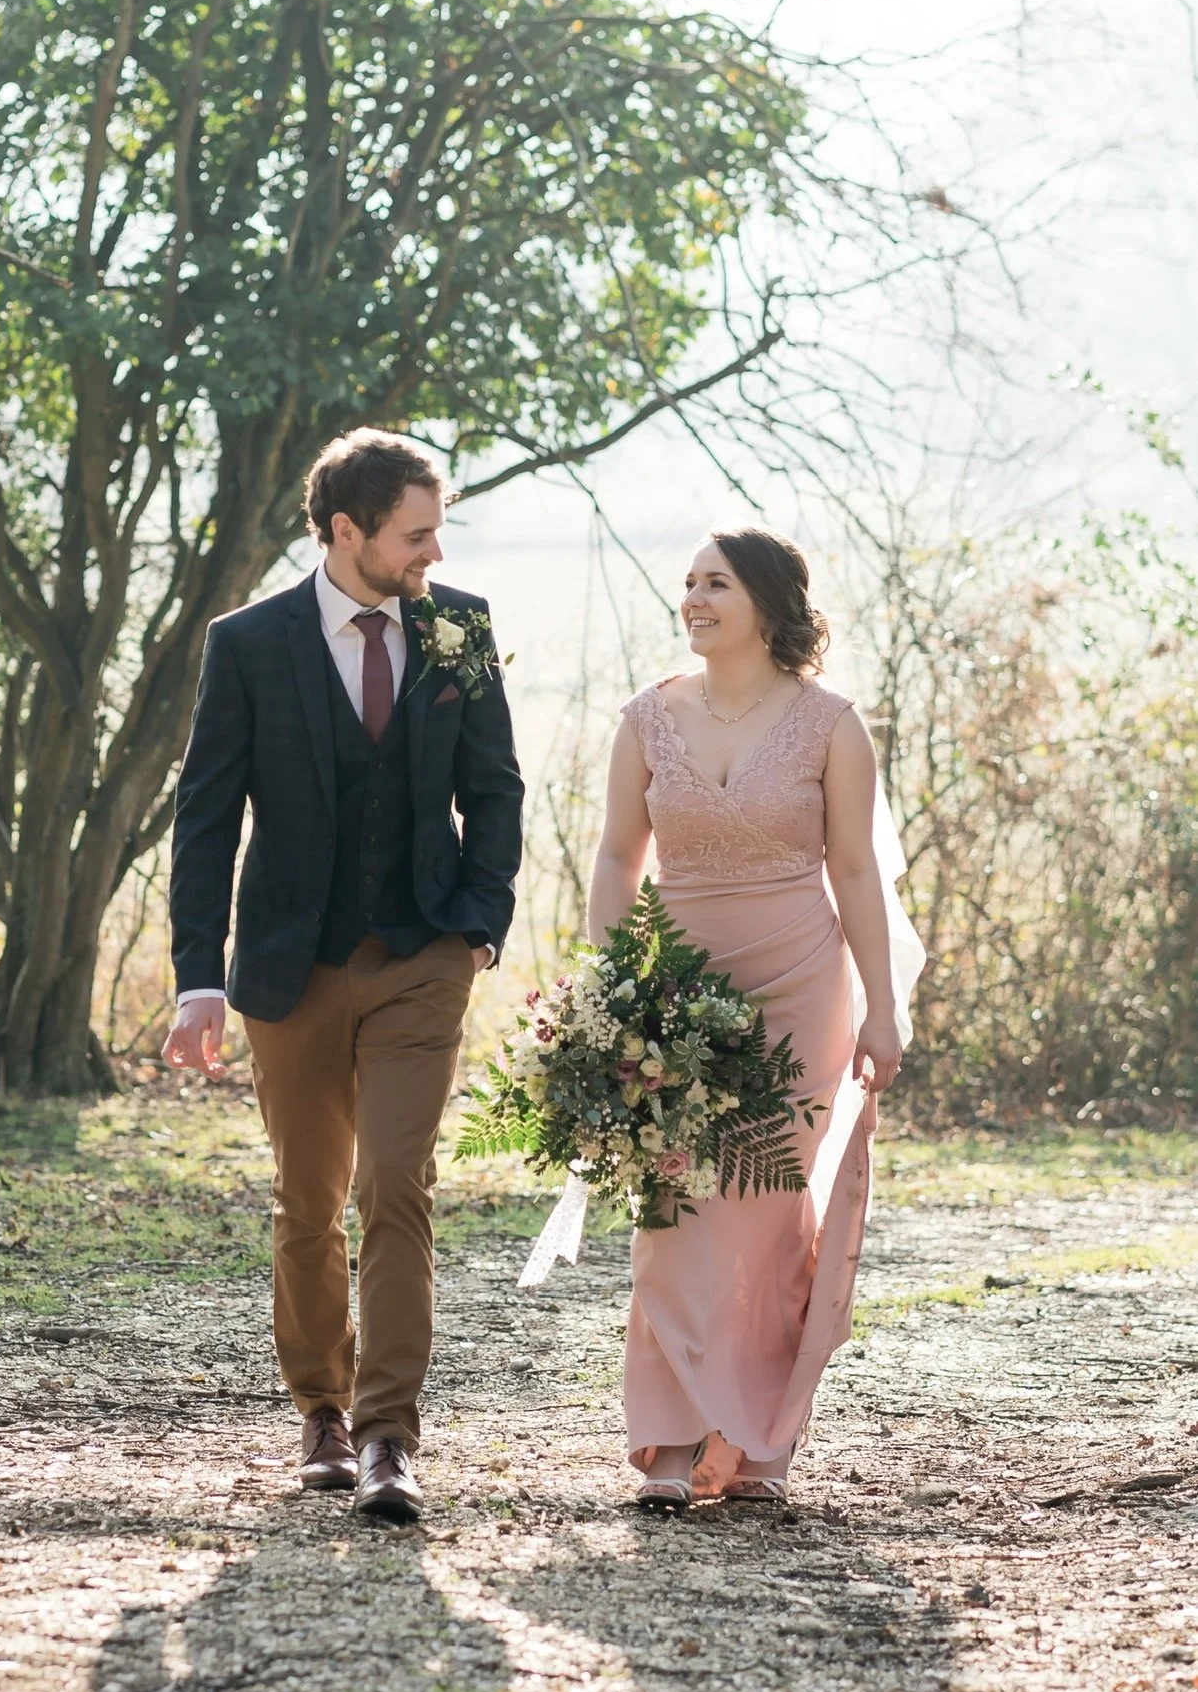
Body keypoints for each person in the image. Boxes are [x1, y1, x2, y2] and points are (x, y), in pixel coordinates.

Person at [163, 430, 524, 1523]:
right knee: (309, 1202)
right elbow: (205, 818)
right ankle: (317, 1408)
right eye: (415, 532)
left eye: (437, 530)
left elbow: (494, 787)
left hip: (421, 956)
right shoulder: (248, 643)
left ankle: (385, 1436)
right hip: (291, 965)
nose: (433, 549)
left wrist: (478, 922)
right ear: (345, 532)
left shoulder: (457, 626)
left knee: (396, 1189)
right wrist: (197, 978)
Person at [588, 528, 919, 1508]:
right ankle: (669, 1440)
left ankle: (758, 1442)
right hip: (678, 986)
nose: (690, 597)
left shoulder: (829, 725)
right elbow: (614, 859)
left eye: (713, 583)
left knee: (772, 1223)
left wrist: (881, 1007)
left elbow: (853, 870)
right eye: (685, 580)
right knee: (675, 1207)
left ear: (767, 603)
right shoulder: (645, 718)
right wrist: (616, 987)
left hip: (799, 987)